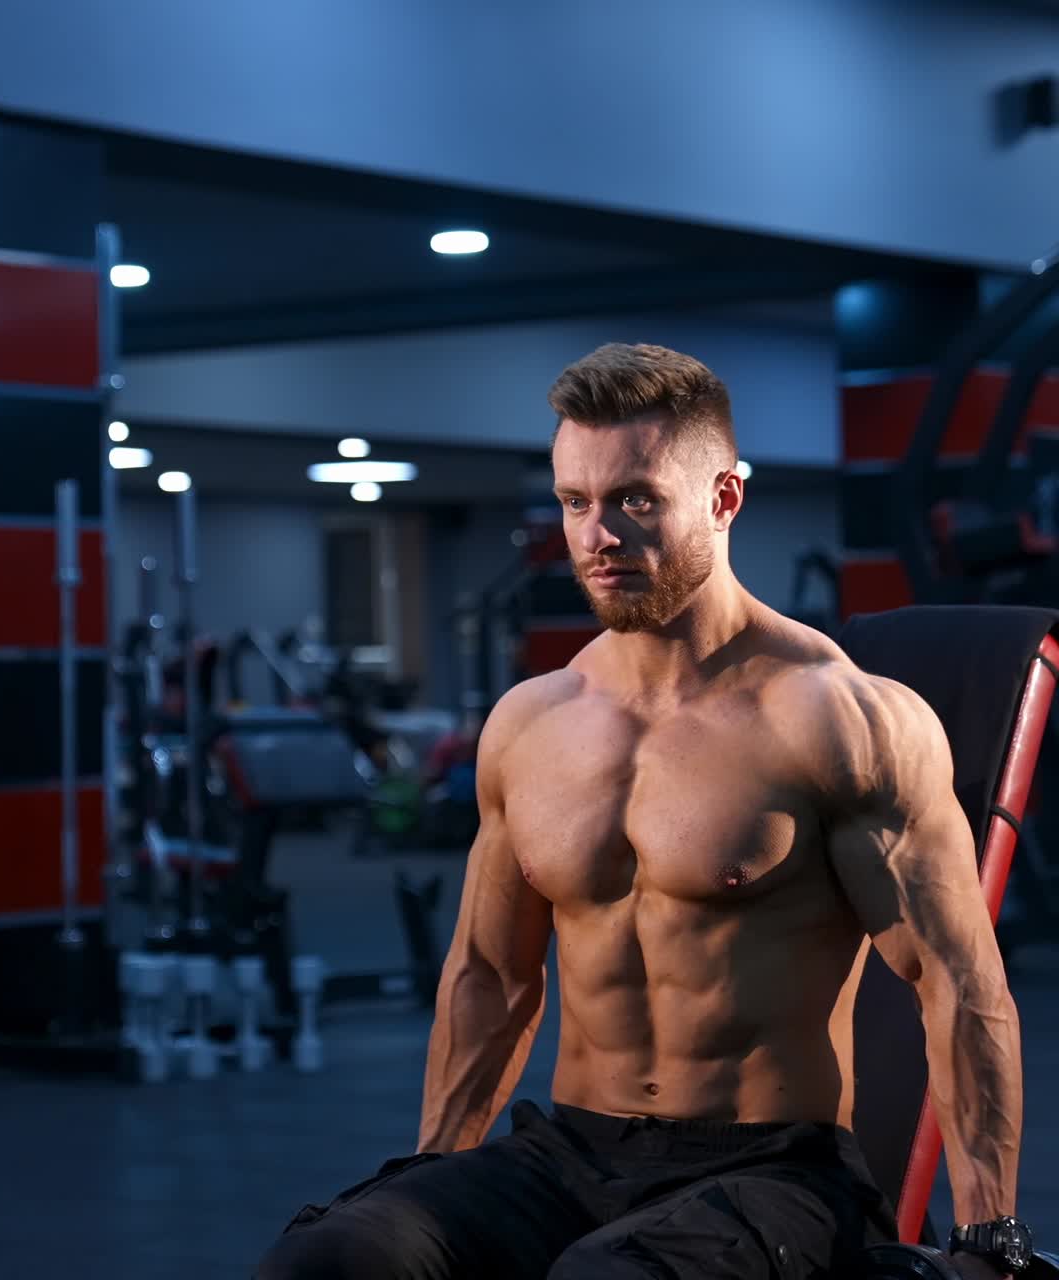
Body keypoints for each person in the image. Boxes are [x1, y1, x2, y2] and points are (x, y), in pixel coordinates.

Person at [253, 344, 1026, 1279]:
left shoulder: (842, 718)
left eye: (634, 499)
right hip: (569, 1149)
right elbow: (491, 978)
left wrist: (990, 1240)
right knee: (334, 1259)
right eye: (575, 501)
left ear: (724, 499)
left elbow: (960, 985)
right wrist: (432, 1173)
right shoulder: (531, 724)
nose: (596, 534)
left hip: (774, 1169)